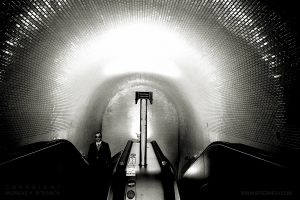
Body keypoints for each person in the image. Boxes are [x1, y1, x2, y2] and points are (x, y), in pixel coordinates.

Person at [88, 131, 111, 198]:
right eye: (96, 137)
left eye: (99, 137)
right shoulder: (91, 145)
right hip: (94, 168)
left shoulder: (106, 145)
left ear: (101, 137)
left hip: (103, 168)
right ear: (95, 138)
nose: (97, 138)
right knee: (95, 183)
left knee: (102, 183)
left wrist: (107, 165)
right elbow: (89, 156)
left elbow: (108, 156)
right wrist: (91, 164)